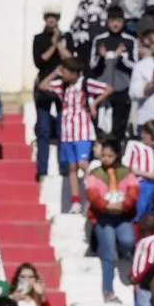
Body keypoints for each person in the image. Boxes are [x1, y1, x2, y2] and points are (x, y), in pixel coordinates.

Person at [47, 57, 108, 214]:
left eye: (65, 72)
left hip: (83, 130)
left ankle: (96, 193)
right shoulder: (62, 85)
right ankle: (76, 201)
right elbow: (43, 86)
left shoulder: (86, 83)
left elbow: (108, 89)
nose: (63, 75)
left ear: (74, 73)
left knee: (83, 164)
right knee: (72, 167)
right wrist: (55, 73)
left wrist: (94, 103)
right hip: (67, 132)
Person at [85, 139, 138, 303]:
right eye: (103, 155)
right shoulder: (96, 174)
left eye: (110, 155)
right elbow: (92, 194)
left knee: (128, 240)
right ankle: (108, 291)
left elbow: (133, 191)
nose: (106, 159)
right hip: (103, 217)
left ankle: (123, 252)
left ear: (116, 156)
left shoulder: (126, 172)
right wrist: (106, 205)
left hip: (122, 215)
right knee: (108, 254)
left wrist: (123, 205)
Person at [90, 6, 138, 142]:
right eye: (112, 21)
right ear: (107, 22)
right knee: (101, 129)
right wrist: (102, 57)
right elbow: (92, 65)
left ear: (124, 22)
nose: (115, 24)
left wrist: (121, 57)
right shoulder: (99, 40)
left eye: (118, 21)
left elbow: (135, 65)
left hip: (122, 91)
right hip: (102, 92)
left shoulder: (130, 41)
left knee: (119, 129)